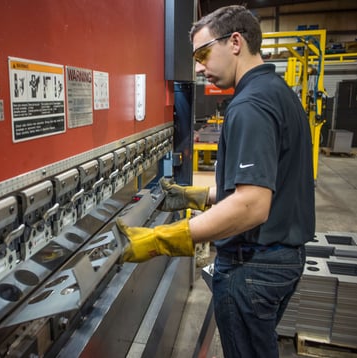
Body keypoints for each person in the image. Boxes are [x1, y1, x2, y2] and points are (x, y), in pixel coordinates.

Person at [116, 5, 315, 358]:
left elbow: (252, 205)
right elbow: (269, 184)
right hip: (281, 260)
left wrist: (165, 238)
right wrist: (197, 195)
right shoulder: (278, 92)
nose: (196, 66)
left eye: (203, 53)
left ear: (235, 42)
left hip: (252, 266)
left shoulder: (249, 104)